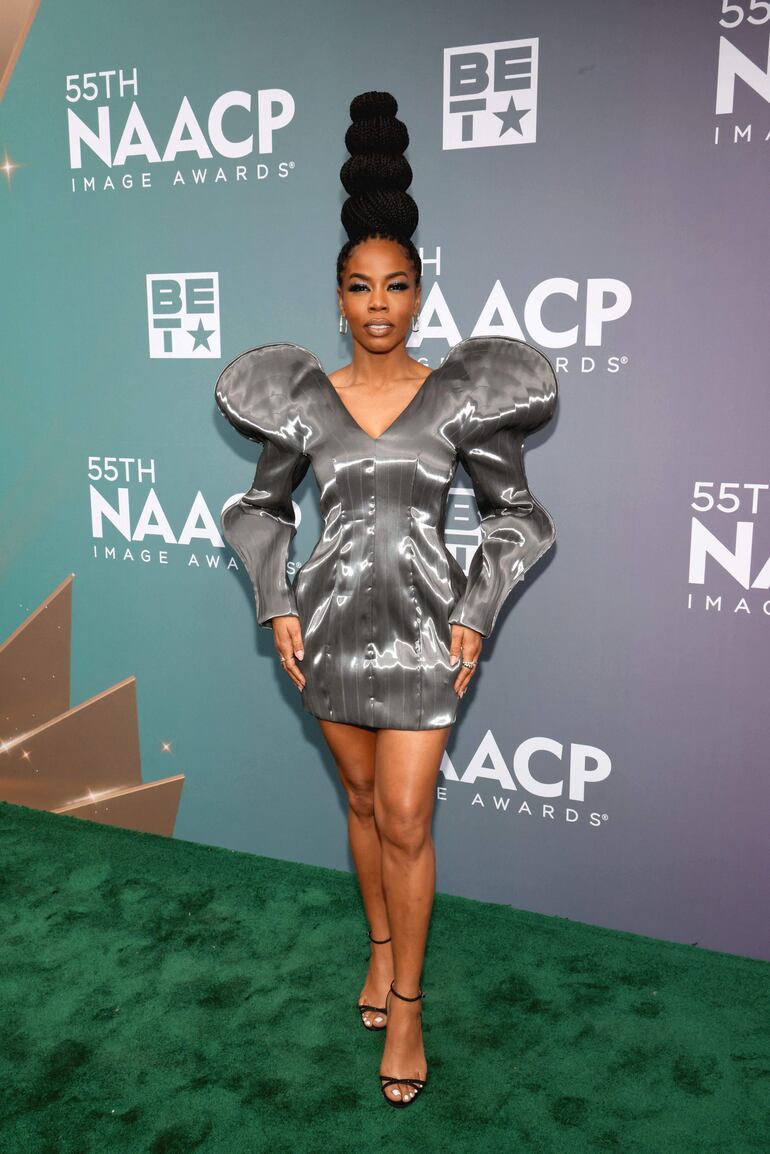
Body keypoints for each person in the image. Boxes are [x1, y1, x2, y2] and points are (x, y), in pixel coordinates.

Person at [214, 90, 558, 1108]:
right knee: (361, 802)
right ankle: (375, 946)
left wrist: (475, 609)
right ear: (337, 297)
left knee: (406, 812)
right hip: (324, 634)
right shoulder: (303, 396)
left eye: (395, 285)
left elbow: (518, 517)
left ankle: (406, 1002)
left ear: (418, 293)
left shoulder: (459, 395)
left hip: (422, 633)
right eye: (359, 286)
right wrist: (276, 602)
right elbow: (260, 507)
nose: (376, 303)